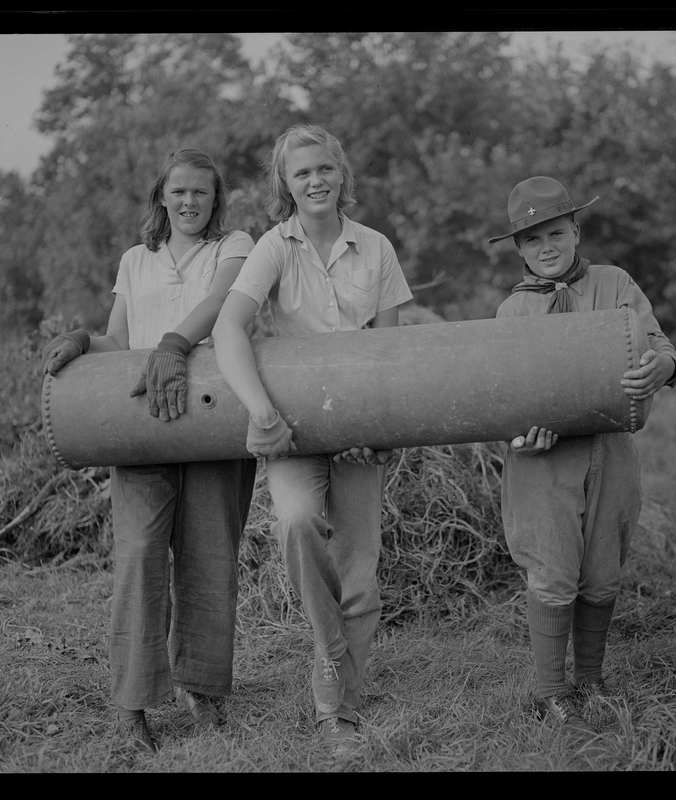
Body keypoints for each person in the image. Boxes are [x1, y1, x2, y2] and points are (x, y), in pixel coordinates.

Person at [40, 148, 257, 753]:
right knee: (138, 554)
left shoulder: (234, 245)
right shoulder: (136, 261)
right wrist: (83, 341)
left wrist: (172, 344)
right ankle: (134, 703)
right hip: (142, 420)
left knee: (211, 555)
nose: (189, 202)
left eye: (202, 193)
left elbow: (218, 305)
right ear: (162, 196)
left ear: (216, 202)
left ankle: (204, 691)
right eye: (179, 191)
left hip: (216, 417)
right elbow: (117, 337)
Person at [212, 124, 413, 747]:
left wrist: (378, 430)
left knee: (359, 569)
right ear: (285, 185)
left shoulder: (376, 247)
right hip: (292, 426)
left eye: (325, 169)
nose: (315, 181)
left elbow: (390, 348)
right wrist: (263, 414)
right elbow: (227, 330)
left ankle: (338, 713)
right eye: (301, 173)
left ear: (341, 175)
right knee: (297, 523)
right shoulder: (275, 246)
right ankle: (331, 659)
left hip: (361, 426)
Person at [487, 176, 676, 735]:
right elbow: (498, 397)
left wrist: (660, 368)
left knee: (601, 567)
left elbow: (658, 344)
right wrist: (522, 436)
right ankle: (551, 691)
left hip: (611, 448)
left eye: (555, 233)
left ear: (575, 230)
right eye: (532, 240)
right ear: (519, 250)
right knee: (552, 569)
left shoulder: (615, 284)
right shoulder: (509, 315)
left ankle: (592, 677)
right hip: (543, 461)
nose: (546, 247)